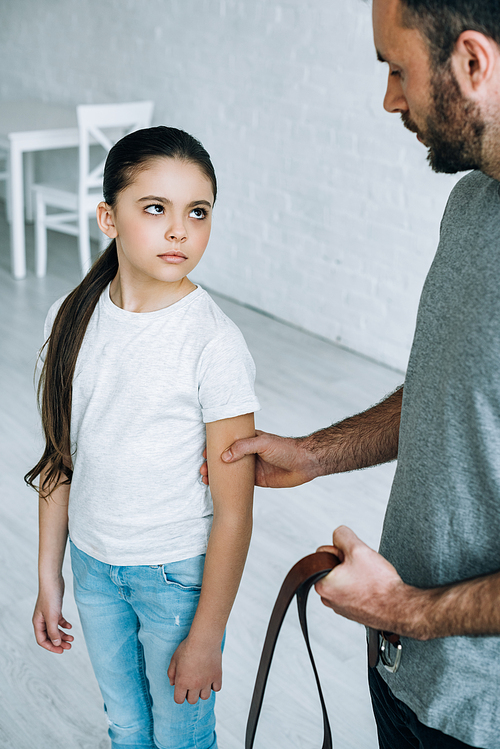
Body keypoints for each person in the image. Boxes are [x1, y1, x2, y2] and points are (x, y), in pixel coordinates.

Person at [201, 0, 500, 747]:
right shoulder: (471, 206)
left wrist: (402, 608)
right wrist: (315, 453)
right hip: (407, 676)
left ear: (472, 61)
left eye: (398, 69)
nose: (389, 98)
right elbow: (452, 389)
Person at [25, 126, 260, 749]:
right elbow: (59, 461)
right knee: (126, 726)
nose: (179, 230)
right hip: (94, 568)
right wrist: (51, 578)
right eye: (155, 209)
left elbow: (235, 513)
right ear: (109, 217)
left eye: (198, 212)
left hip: (176, 580)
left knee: (181, 736)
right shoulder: (67, 321)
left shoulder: (215, 344)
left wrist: (207, 635)